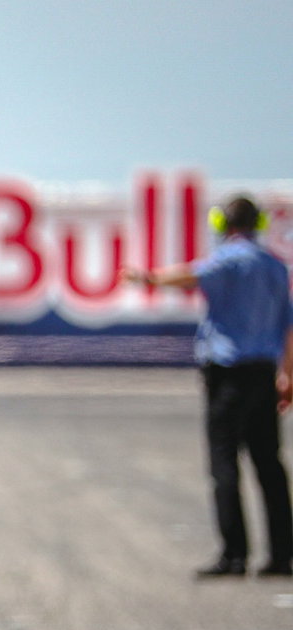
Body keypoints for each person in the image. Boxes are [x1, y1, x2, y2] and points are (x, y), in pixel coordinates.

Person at [122, 194, 293, 578]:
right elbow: (288, 327)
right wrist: (289, 375)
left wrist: (148, 277)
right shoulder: (277, 268)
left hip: (229, 375)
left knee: (224, 463)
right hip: (264, 373)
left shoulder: (229, 258)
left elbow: (191, 273)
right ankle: (282, 554)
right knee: (269, 464)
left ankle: (234, 554)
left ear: (222, 224)